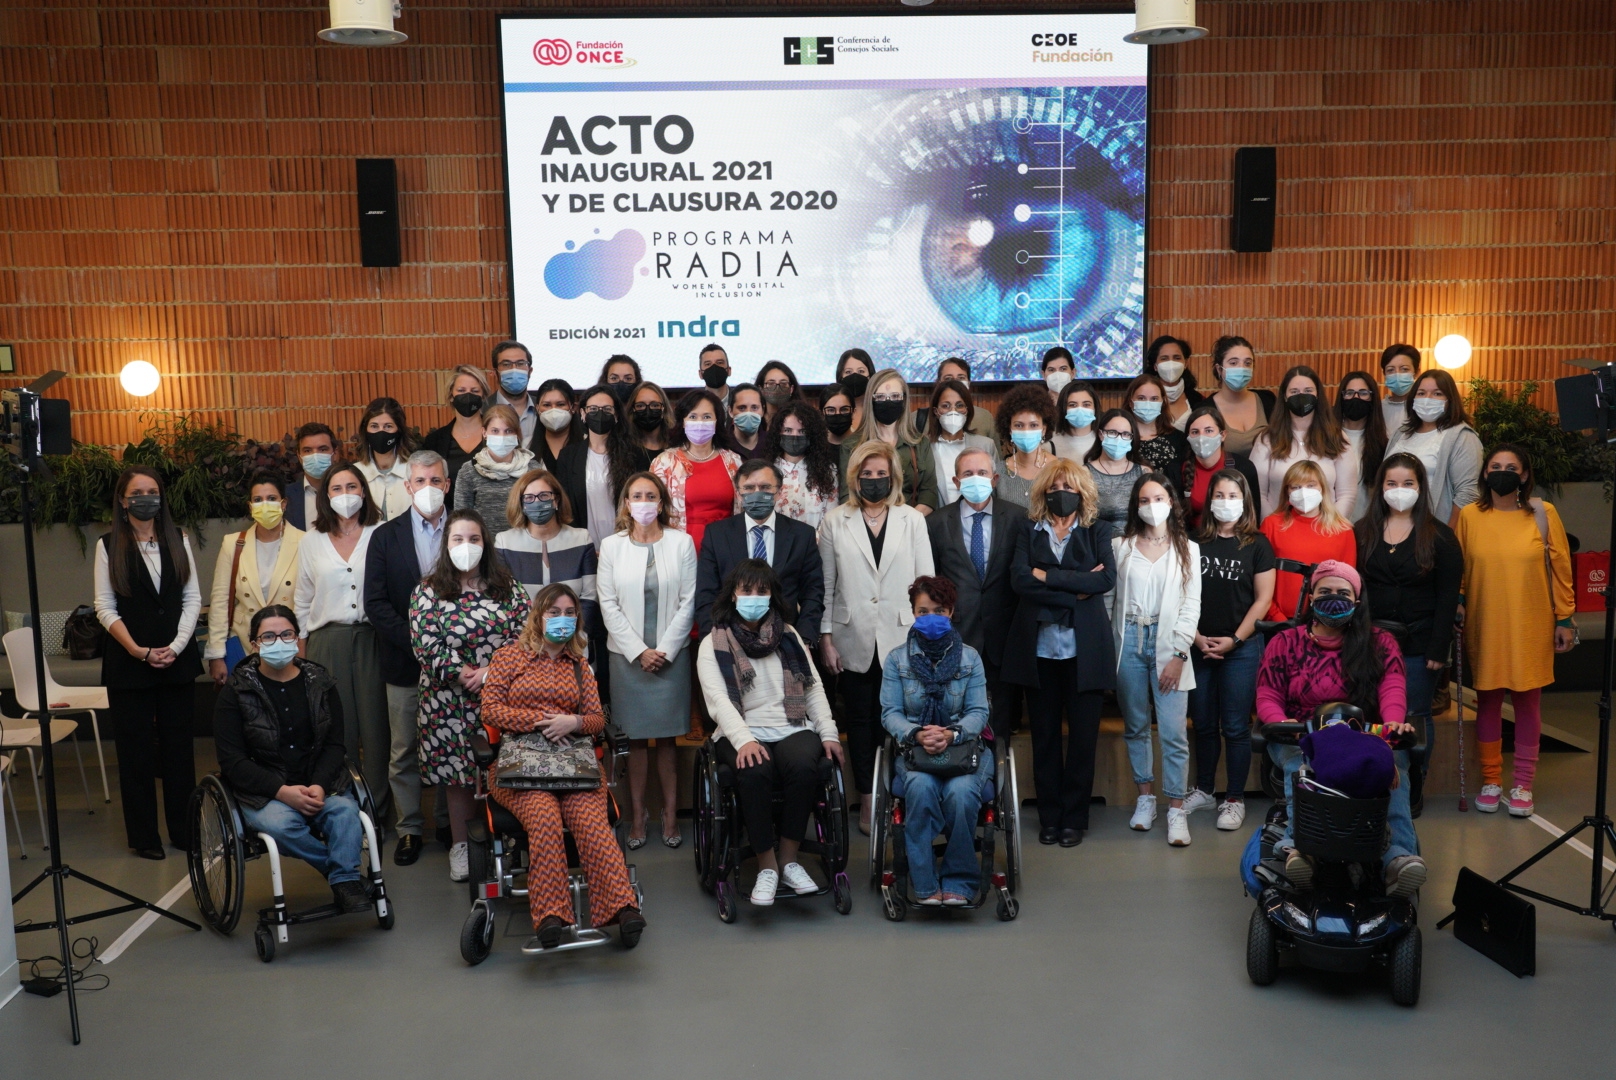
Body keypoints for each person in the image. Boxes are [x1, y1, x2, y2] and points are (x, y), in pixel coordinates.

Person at [481, 584, 645, 950]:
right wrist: (540, 720)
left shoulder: (579, 667)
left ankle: (622, 906)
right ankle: (551, 914)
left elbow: (596, 720)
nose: (562, 619)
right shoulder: (509, 658)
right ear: (538, 616)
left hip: (572, 766)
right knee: (544, 819)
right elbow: (490, 711)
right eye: (554, 612)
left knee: (590, 821)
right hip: (520, 768)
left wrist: (572, 722)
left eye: (570, 613)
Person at [1255, 561, 1426, 897]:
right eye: (1326, 593)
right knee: (1300, 768)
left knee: (1397, 765)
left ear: (1357, 600)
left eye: (1343, 593)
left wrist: (1392, 721)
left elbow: (1392, 685)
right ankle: (1297, 848)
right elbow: (1268, 692)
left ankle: (1397, 857)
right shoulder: (1284, 642)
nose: (1334, 599)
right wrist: (1280, 720)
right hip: (1300, 733)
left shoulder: (1381, 642)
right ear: (1311, 598)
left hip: (1363, 734)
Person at [697, 560, 842, 906]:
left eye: (761, 591)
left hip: (790, 725)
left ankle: (789, 859)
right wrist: (745, 739)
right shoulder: (713, 642)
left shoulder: (789, 636)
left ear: (772, 595)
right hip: (740, 730)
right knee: (754, 768)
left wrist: (829, 733)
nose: (754, 597)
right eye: (746, 590)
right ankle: (767, 866)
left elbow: (813, 690)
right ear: (733, 595)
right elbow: (718, 700)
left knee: (806, 765)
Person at [213, 605, 373, 912]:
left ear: (297, 637)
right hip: (265, 791)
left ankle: (343, 878)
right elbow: (233, 762)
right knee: (282, 826)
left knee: (345, 814)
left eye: (286, 634)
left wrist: (320, 786)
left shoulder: (320, 682)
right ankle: (343, 877)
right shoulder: (235, 692)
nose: (279, 641)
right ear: (255, 644)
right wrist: (282, 792)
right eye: (269, 636)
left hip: (318, 782)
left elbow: (335, 745)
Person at [817, 440, 935, 830]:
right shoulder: (835, 520)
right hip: (853, 640)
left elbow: (926, 585)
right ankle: (868, 800)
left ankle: (900, 795)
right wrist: (827, 638)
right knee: (862, 723)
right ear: (854, 478)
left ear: (893, 477)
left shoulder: (911, 520)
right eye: (866, 474)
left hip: (904, 638)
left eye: (881, 474)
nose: (873, 480)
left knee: (901, 720)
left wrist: (927, 634)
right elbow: (828, 586)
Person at [1454, 444, 1576, 816]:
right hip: (1485, 620)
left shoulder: (1542, 512)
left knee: (1527, 702)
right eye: (1495, 465)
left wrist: (1565, 618)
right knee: (1488, 701)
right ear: (1485, 472)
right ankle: (1492, 780)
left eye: (1511, 467)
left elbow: (1560, 566)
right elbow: (1458, 568)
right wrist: (1457, 603)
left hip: (1530, 621)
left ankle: (1523, 785)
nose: (1502, 471)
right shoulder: (1470, 516)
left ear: (1524, 475)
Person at [409, 508, 530, 882]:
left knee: (501, 771)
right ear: (447, 545)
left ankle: (506, 843)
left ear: (485, 543)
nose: (466, 546)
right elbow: (425, 643)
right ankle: (461, 848)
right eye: (458, 539)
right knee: (459, 778)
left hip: (503, 697)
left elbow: (526, 638)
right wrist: (464, 673)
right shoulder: (428, 590)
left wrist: (491, 673)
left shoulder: (508, 588)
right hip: (447, 701)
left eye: (474, 539)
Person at [1003, 459, 1116, 847]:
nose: (1060, 492)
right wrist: (1075, 589)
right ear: (1043, 491)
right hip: (1039, 652)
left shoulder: (1097, 530)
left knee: (1084, 740)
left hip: (1085, 653)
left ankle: (1074, 818)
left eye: (1068, 486)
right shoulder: (1026, 529)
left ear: (1082, 491)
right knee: (1045, 738)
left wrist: (1047, 576)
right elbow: (1019, 580)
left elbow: (1104, 579)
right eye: (1053, 486)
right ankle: (1049, 817)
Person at [94, 465, 202, 858]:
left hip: (178, 660)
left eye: (153, 490)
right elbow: (105, 608)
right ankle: (144, 837)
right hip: (129, 665)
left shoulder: (179, 539)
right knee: (135, 754)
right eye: (137, 492)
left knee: (178, 752)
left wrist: (175, 645)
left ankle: (183, 831)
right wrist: (139, 650)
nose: (146, 498)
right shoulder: (108, 545)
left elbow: (192, 599)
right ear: (123, 501)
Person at [597, 472, 698, 848]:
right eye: (636, 495)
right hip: (627, 657)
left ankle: (671, 816)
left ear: (661, 503)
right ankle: (637, 817)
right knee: (634, 742)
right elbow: (607, 603)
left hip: (672, 656)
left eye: (650, 496)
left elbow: (689, 600)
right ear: (626, 502)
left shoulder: (682, 543)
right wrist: (639, 651)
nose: (643, 502)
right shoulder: (611, 546)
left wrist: (665, 649)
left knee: (668, 741)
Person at [879, 576, 992, 905]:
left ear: (951, 611)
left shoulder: (970, 658)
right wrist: (917, 733)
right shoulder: (896, 660)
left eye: (938, 610)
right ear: (913, 613)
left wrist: (952, 733)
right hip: (915, 749)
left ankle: (959, 879)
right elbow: (890, 713)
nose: (930, 617)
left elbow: (977, 712)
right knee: (923, 788)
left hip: (965, 747)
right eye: (922, 610)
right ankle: (925, 883)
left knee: (960, 794)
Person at [362, 449, 450, 864]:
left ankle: (451, 823)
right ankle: (410, 828)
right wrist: (418, 641)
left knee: (454, 744)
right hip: (405, 662)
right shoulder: (385, 536)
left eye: (435, 481)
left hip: (456, 663)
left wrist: (447, 647)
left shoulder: (466, 531)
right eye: (420, 481)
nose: (427, 488)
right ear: (407, 486)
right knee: (404, 751)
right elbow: (375, 603)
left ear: (446, 485)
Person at [294, 462, 390, 829]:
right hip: (326, 643)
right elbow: (302, 603)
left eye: (352, 486)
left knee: (377, 731)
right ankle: (348, 812)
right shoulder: (311, 542)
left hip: (372, 640)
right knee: (339, 732)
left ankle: (379, 812)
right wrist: (301, 660)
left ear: (364, 492)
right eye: (336, 488)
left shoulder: (380, 534)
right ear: (325, 496)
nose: (345, 494)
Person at [1107, 473, 1202, 846]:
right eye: (1144, 500)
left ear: (1172, 501)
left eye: (1158, 497)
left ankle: (1176, 809)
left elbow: (1191, 606)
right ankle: (1145, 798)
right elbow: (1109, 600)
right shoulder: (1121, 546)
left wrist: (1179, 654)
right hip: (1128, 639)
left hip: (1169, 642)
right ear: (1136, 506)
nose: (1151, 506)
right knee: (1135, 725)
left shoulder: (1187, 549)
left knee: (1174, 732)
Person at [1185, 470, 1274, 832]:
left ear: (1245, 500)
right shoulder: (1193, 541)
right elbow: (1180, 593)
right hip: (1198, 644)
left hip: (1241, 648)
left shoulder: (1257, 544)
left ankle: (1233, 798)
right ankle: (1205, 789)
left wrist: (1235, 639)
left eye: (1233, 495)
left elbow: (1263, 599)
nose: (1225, 502)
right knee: (1204, 724)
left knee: (1236, 726)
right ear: (1209, 502)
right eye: (1219, 495)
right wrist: (1196, 637)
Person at [1356, 454, 1462, 756]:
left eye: (1407, 483)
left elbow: (1447, 596)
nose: (1398, 489)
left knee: (1415, 713)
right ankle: (1376, 777)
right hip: (1370, 642)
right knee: (1373, 713)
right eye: (1391, 483)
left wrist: (1439, 647)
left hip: (1420, 643)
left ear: (1420, 487)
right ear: (1381, 487)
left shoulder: (1441, 536)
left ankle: (1414, 783)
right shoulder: (1362, 531)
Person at [927, 446, 1029, 746]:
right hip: (957, 633)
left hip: (1005, 633)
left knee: (1002, 727)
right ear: (956, 481)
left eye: (982, 473)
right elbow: (932, 582)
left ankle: (998, 786)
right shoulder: (935, 523)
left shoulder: (1018, 518)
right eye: (968, 473)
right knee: (956, 719)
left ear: (994, 478)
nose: (975, 478)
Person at [694, 460, 824, 643]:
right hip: (730, 639)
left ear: (778, 492)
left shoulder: (802, 535)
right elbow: (706, 594)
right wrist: (715, 640)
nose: (757, 493)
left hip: (787, 639)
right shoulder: (717, 534)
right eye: (748, 488)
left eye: (764, 487)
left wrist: (802, 640)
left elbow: (813, 592)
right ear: (738, 494)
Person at [207, 471, 303, 686]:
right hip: (245, 644)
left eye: (271, 499)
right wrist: (216, 654)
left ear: (283, 504)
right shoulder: (233, 543)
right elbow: (221, 600)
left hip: (289, 645)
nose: (264, 505)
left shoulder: (305, 542)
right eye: (258, 500)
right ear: (250, 507)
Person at [1250, 365, 1359, 519]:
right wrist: (1274, 529)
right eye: (1294, 392)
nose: (1301, 396)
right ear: (1284, 397)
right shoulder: (1267, 439)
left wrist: (1330, 529)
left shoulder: (1336, 437)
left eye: (1308, 391)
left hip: (1326, 531)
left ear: (1318, 395)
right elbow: (1257, 493)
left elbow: (1347, 494)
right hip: (1278, 532)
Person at [1259, 460, 1357, 623]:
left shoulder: (1343, 529)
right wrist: (1277, 618)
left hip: (1326, 621)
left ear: (1322, 489)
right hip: (1277, 621)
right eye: (1295, 487)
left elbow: (1347, 584)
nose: (1303, 492)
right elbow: (1260, 577)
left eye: (1310, 485)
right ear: (1287, 491)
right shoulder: (1272, 524)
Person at [556, 385, 653, 550]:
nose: (600, 414)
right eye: (593, 408)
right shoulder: (568, 456)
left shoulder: (635, 455)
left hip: (627, 546)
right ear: (582, 414)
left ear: (616, 415)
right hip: (583, 548)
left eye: (607, 409)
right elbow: (564, 508)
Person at [1385, 368, 1483, 525]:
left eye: (1437, 394)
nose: (1427, 399)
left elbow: (1467, 493)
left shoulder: (1462, 437)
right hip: (1393, 526)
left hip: (1434, 527)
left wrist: (1446, 537)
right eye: (1421, 393)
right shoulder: (1401, 433)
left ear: (1450, 400)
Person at [650, 388, 744, 550]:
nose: (700, 422)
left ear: (717, 421)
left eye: (707, 417)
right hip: (678, 549)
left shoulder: (733, 461)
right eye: (693, 417)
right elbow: (654, 511)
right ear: (683, 422)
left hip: (727, 547)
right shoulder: (664, 462)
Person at [496, 468, 599, 611]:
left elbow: (590, 597)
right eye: (529, 498)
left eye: (544, 496)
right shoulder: (505, 543)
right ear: (521, 504)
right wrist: (529, 633)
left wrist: (576, 631)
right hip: (523, 631)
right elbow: (505, 599)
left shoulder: (581, 539)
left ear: (556, 500)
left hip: (574, 629)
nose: (537, 502)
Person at [840, 369, 940, 516]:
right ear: (871, 401)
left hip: (910, 525)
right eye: (880, 397)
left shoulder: (920, 443)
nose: (888, 402)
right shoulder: (852, 446)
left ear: (904, 400)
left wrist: (907, 521)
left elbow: (929, 493)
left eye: (894, 396)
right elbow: (846, 496)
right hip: (866, 527)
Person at [452, 403, 535, 537]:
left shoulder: (533, 469)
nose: (502, 436)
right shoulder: (469, 471)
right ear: (484, 432)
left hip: (524, 548)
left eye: (508, 431)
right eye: (495, 431)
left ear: (517, 433)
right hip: (485, 550)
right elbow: (462, 519)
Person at [1178, 405, 1261, 530]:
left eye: (1209, 431)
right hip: (1193, 540)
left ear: (1223, 435)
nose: (1201, 437)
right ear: (1188, 437)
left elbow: (1253, 514)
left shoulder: (1244, 467)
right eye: (1195, 432)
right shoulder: (1177, 469)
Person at [763, 401, 839, 528]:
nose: (794, 436)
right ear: (778, 433)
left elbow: (831, 519)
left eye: (802, 431)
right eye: (787, 430)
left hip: (815, 545)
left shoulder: (828, 471)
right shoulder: (765, 471)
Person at [923, 378, 998, 505]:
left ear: (967, 410)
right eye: (946, 406)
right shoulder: (925, 447)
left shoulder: (986, 445)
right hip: (938, 520)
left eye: (959, 405)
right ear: (936, 411)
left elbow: (995, 491)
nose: (953, 411)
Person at [423, 365, 490, 506]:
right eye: (461, 390)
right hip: (449, 521)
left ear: (483, 395)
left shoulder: (498, 434)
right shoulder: (434, 441)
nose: (468, 395)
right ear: (451, 395)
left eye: (474, 391)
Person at [1207, 335, 1275, 457]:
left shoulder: (1268, 400)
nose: (1241, 368)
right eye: (1233, 363)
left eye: (1247, 363)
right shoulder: (1206, 409)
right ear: (1219, 369)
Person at [1334, 370, 1388, 522]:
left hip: (1367, 526)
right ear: (1341, 396)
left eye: (1363, 393)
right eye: (1349, 392)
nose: (1355, 398)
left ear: (1372, 398)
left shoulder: (1382, 443)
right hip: (1331, 524)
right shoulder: (1327, 437)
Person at [354, 397, 417, 521]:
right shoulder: (355, 473)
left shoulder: (415, 471)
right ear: (365, 430)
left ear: (399, 430)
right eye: (374, 426)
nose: (380, 432)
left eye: (388, 426)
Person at [995, 383, 1057, 509]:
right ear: (1010, 430)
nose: (1026, 431)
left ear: (1044, 429)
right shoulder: (998, 472)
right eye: (1019, 425)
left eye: (1033, 425)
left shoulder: (1059, 469)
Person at [1084, 409, 1146, 529]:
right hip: (1099, 543)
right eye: (1112, 432)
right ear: (1101, 434)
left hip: (1137, 543)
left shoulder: (1143, 472)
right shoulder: (1084, 473)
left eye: (1126, 434)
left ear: (1132, 438)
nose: (1119, 438)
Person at [1123, 373, 1190, 475]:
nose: (1148, 403)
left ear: (1162, 402)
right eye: (1141, 398)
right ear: (1130, 402)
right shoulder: (1119, 438)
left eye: (1154, 399)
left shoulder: (1178, 439)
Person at [915, 358, 995, 439]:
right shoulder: (917, 419)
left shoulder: (985, 418)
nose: (955, 383)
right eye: (948, 378)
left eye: (961, 378)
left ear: (969, 383)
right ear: (938, 383)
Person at [286, 422, 337, 531]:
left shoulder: (349, 493)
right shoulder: (286, 496)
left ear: (335, 454)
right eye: (307, 450)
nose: (315, 456)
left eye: (323, 449)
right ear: (299, 457)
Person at [1145, 335, 1203, 430]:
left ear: (1185, 363)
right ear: (1155, 366)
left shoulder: (1197, 400)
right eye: (1164, 358)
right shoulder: (1143, 398)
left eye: (1177, 358)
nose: (1171, 363)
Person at [488, 340, 539, 446]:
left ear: (530, 371)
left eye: (521, 364)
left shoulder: (543, 408)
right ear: (495, 372)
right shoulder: (482, 410)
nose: (514, 369)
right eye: (506, 364)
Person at [530, 377, 583, 473]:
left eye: (560, 404)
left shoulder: (587, 443)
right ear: (537, 409)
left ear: (573, 407)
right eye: (546, 405)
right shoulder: (527, 447)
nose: (553, 410)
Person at [1052, 380, 1100, 463]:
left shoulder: (1104, 441)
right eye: (1072, 405)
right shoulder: (1050, 443)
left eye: (1086, 404)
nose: (1080, 409)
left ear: (1095, 408)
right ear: (1063, 409)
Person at [626, 382, 675, 458]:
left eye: (655, 405)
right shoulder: (624, 448)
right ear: (633, 409)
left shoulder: (676, 446)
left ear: (663, 409)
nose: (648, 410)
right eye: (640, 406)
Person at [1379, 344, 1420, 431]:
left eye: (1404, 369)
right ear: (1384, 374)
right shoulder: (1378, 408)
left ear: (1416, 372)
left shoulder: (1424, 406)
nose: (1397, 374)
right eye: (1390, 370)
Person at [834, 348, 875, 431]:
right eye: (848, 372)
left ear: (870, 375)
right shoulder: (833, 410)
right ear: (840, 376)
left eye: (861, 371)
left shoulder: (879, 409)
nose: (855, 376)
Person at [727, 382, 768, 459]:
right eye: (742, 408)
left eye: (754, 408)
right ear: (730, 411)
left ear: (763, 410)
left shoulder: (773, 443)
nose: (748, 413)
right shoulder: (721, 445)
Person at [820, 384, 857, 463]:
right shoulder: (815, 448)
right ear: (822, 413)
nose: (837, 414)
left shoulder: (864, 447)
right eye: (831, 410)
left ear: (853, 412)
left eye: (844, 410)